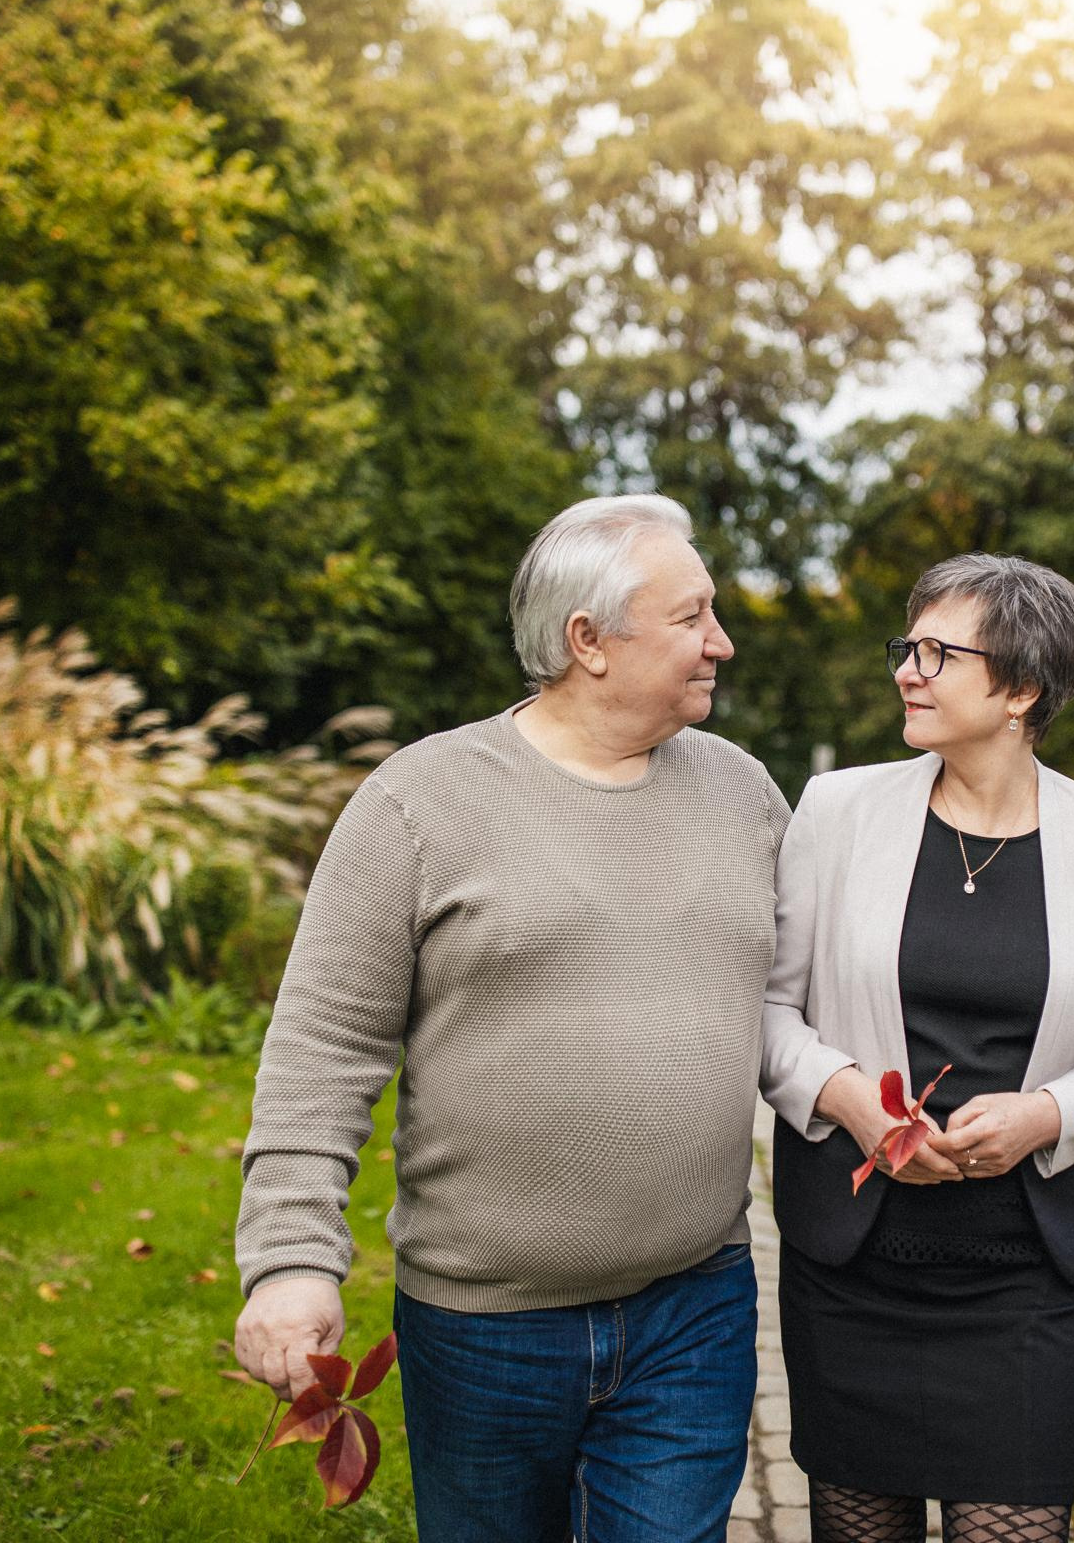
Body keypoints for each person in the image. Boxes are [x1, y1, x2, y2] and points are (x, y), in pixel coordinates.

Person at [232, 494, 790, 1543]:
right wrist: (291, 1257)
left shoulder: (748, 796)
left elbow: (804, 1007)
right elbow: (322, 1046)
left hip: (695, 1306)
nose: (722, 641)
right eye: (692, 616)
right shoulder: (420, 800)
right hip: (483, 1328)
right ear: (589, 640)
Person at [761, 553, 1074, 1543]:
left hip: (1020, 1272)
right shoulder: (836, 809)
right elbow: (769, 1012)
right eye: (909, 646)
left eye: (939, 652)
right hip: (854, 1263)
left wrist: (1044, 1115)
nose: (908, 668)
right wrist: (849, 1095)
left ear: (1022, 688)